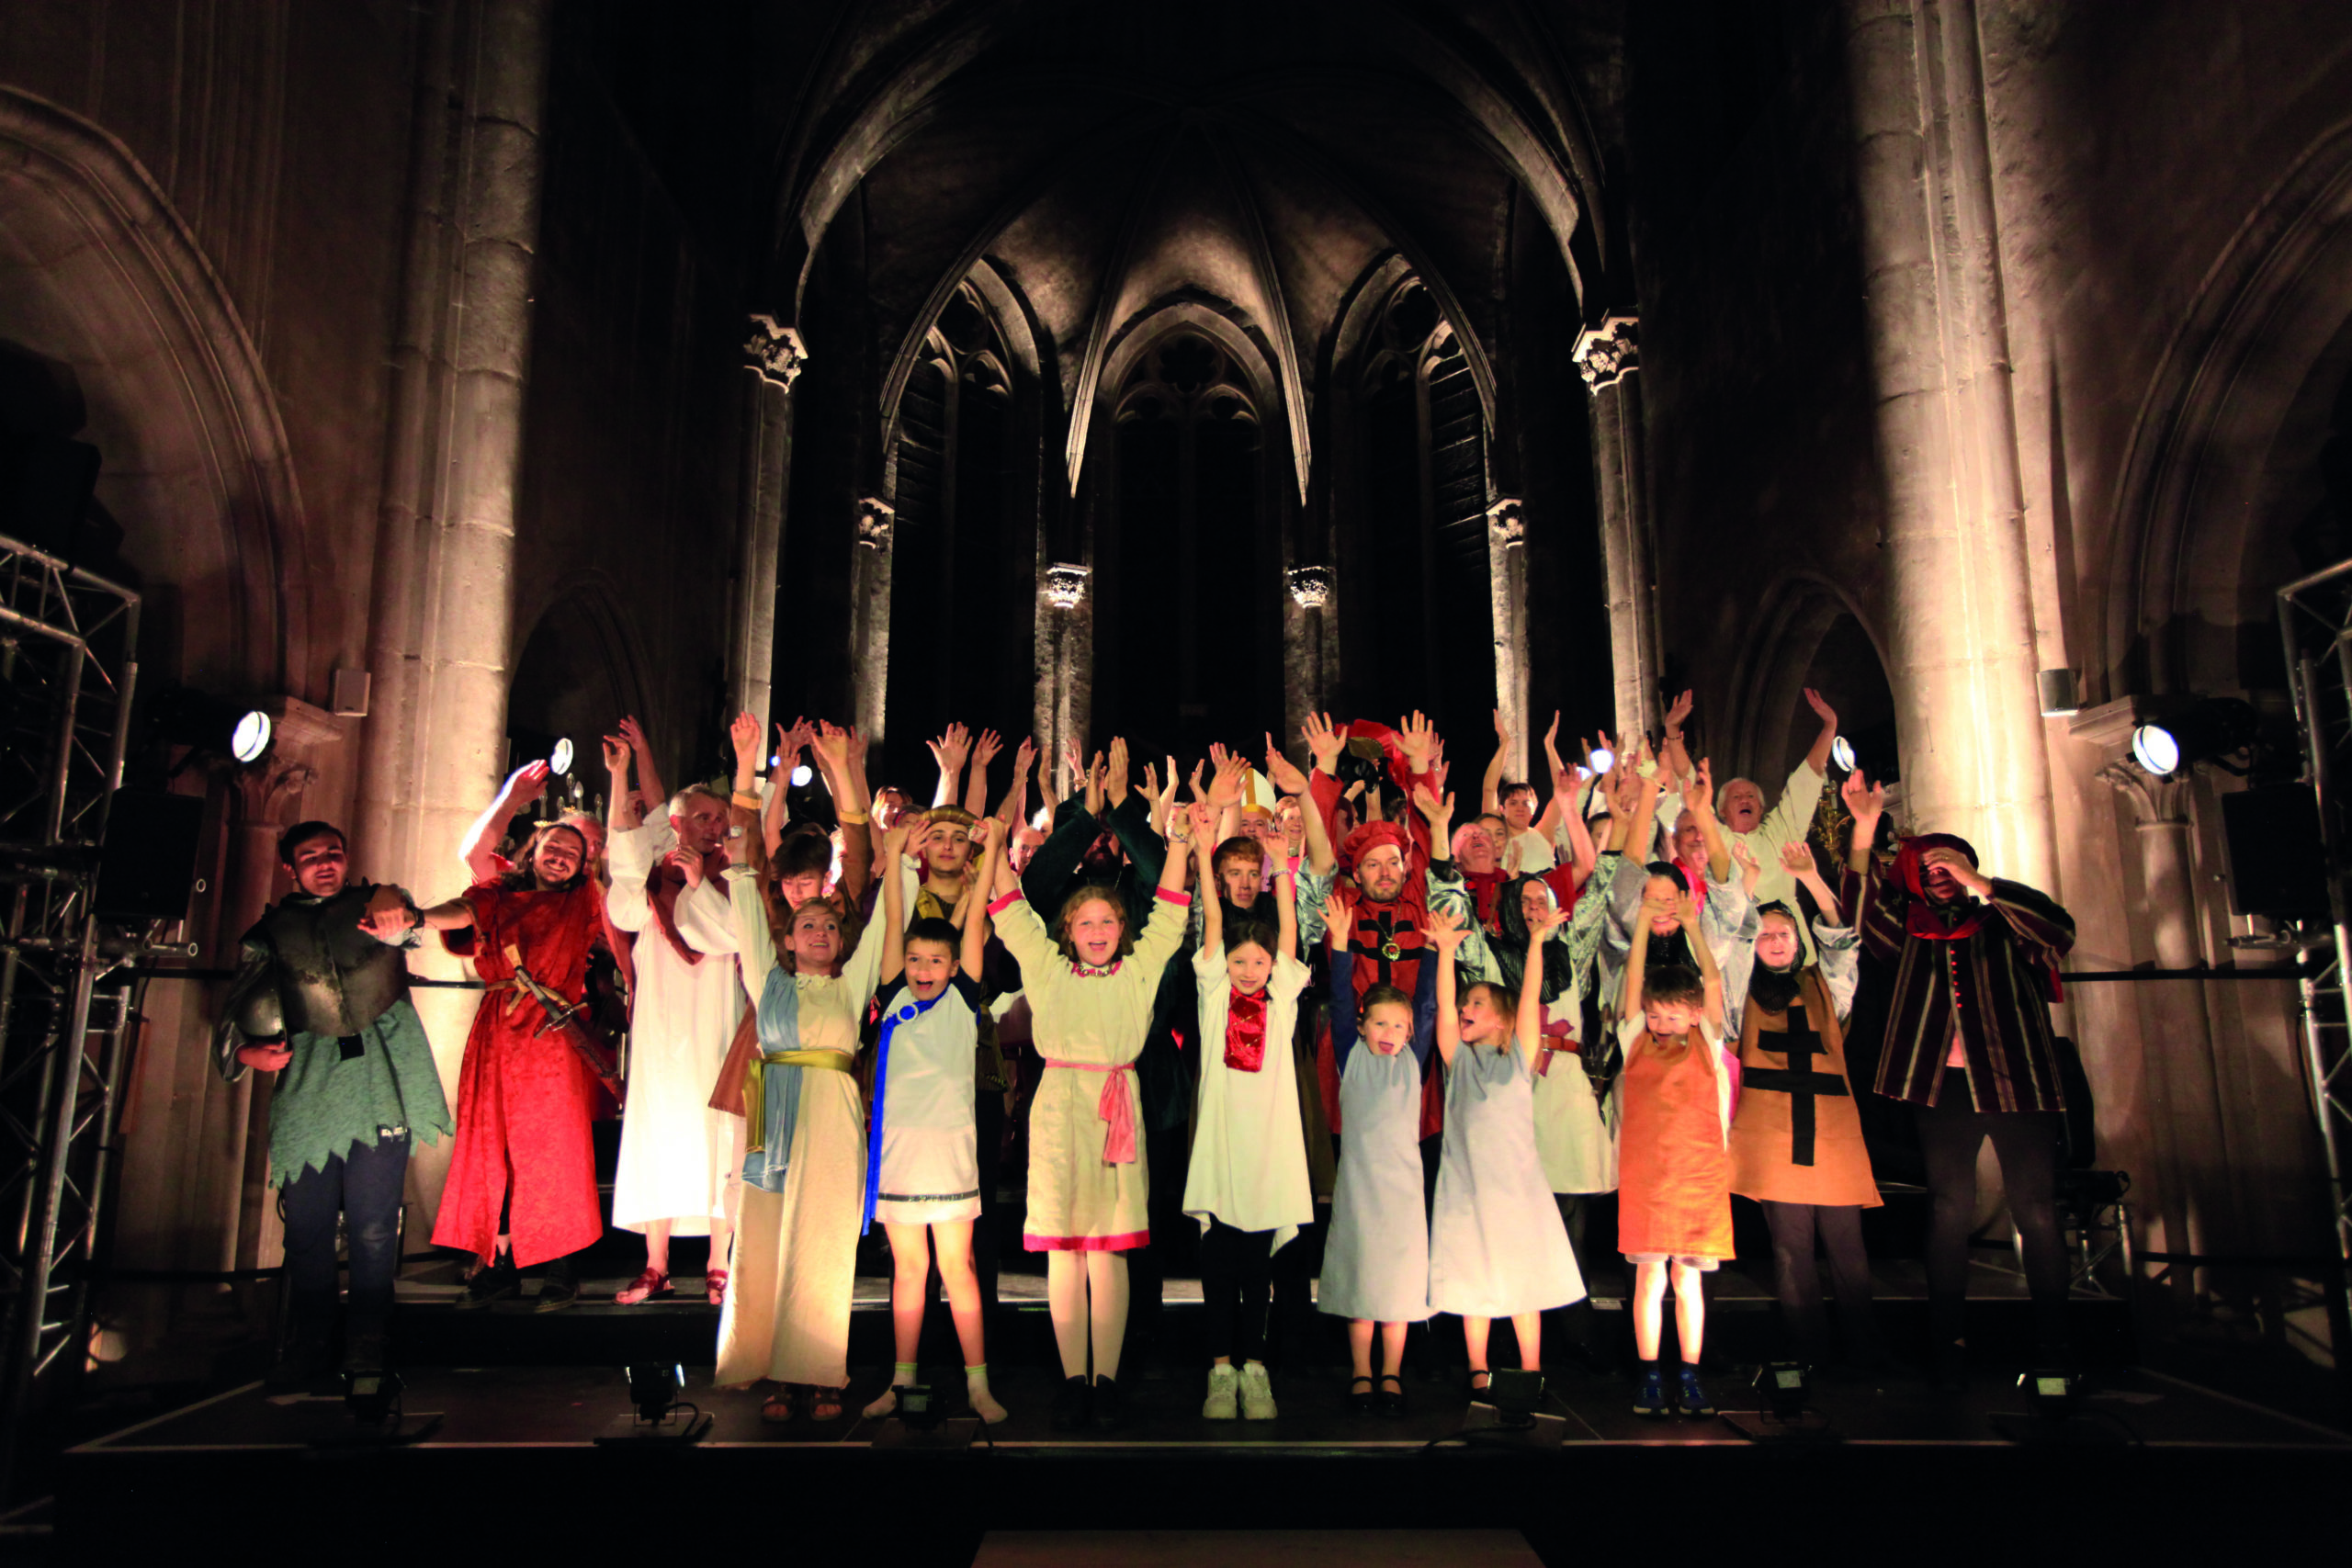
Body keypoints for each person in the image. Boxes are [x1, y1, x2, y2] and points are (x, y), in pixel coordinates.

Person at [1841, 772, 2079, 1381]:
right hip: (1941, 1088)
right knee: (1949, 1208)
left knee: (2036, 1208)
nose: (1939, 873)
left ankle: (2056, 1343)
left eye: (1950, 863)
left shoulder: (2003, 920)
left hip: (2017, 1080)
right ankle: (1947, 1340)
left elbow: (2059, 930)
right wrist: (1865, 828)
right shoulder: (1910, 932)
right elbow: (1859, 911)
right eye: (1929, 867)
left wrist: (1983, 885)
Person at [215, 822, 453, 1385]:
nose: (325, 863)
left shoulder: (378, 907)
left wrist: (396, 904)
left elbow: (415, 927)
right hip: (311, 1083)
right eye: (310, 857)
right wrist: (248, 1053)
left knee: (373, 1225)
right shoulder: (268, 934)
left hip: (380, 1079)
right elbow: (233, 1017)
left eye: (333, 853)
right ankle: (312, 1340)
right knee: (306, 1227)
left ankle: (367, 1340)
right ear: (289, 867)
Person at [986, 785, 1192, 1433]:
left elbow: (1172, 914)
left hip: (1115, 1113)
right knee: (1065, 1252)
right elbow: (1011, 914)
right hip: (1058, 1116)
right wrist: (993, 846)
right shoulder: (1048, 970)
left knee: (1109, 1252)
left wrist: (1180, 843)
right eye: (1085, 923)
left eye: (1107, 922)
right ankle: (1074, 1379)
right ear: (1068, 931)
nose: (1098, 932)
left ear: (1121, 930)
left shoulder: (1138, 972)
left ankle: (1107, 1380)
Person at [714, 713, 890, 1422]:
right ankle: (769, 1364)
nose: (817, 928)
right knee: (763, 1229)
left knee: (819, 1232)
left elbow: (878, 903)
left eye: (828, 923)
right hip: (771, 1095)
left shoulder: (851, 976)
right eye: (805, 923)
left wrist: (848, 772)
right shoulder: (769, 973)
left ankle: (815, 1369)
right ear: (787, 936)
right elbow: (744, 872)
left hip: (830, 1106)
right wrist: (753, 767)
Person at [424, 776, 609, 1313]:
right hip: (497, 1034)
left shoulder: (585, 902)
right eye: (554, 845)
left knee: (554, 1150)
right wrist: (510, 800)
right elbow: (467, 887)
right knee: (493, 1147)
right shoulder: (499, 893)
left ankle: (561, 1267)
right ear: (534, 850)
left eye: (573, 851)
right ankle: (498, 1264)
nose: (562, 855)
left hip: (552, 1038)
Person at [862, 814, 1009, 1425]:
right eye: (916, 959)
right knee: (909, 1270)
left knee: (959, 1267)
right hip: (898, 1157)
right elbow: (894, 917)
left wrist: (993, 847)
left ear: (954, 967)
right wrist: (896, 851)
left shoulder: (963, 999)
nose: (924, 969)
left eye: (936, 961)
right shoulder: (893, 992)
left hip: (950, 1158)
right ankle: (901, 1380)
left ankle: (979, 1385)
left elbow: (974, 922)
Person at [1181, 799, 1314, 1422]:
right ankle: (1219, 1369)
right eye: (1240, 961)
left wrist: (1283, 869)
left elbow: (1287, 931)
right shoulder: (1213, 991)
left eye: (1260, 962)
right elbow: (1213, 919)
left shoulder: (1282, 997)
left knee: (1259, 1269)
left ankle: (1254, 1369)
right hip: (1222, 1151)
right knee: (1218, 1266)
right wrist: (1204, 850)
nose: (1251, 969)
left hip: (1266, 1154)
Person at [1730, 842, 1883, 1370]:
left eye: (1784, 934)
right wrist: (1747, 888)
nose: (1774, 942)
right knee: (1791, 1248)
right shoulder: (1739, 993)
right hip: (1772, 1131)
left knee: (1847, 1245)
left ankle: (1863, 1352)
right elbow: (1726, 946)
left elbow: (1841, 943)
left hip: (1830, 1129)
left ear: (1798, 942)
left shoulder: (1825, 987)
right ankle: (1808, 1353)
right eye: (1765, 935)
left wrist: (1812, 880)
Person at [1426, 899, 1585, 1398]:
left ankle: (1529, 1369)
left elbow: (1530, 993)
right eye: (1465, 1004)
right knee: (1472, 1279)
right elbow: (1443, 1007)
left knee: (1522, 1280)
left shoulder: (1518, 1056)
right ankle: (1478, 1368)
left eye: (1477, 1004)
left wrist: (1536, 943)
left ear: (1500, 1020)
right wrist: (1446, 953)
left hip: (1515, 1191)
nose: (1464, 1010)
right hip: (1467, 1189)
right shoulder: (1458, 1059)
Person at [605, 753, 745, 1308]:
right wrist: (620, 782)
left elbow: (730, 936)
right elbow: (623, 906)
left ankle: (718, 1263)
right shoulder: (650, 879)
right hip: (662, 1031)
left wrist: (697, 883)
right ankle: (656, 1264)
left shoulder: (734, 878)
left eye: (721, 819)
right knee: (659, 1132)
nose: (714, 827)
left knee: (720, 1138)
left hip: (717, 1022)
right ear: (677, 823)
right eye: (704, 817)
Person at [1616, 876, 1735, 1418]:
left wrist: (1691, 925)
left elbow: (1712, 978)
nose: (1663, 1024)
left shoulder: (1708, 1042)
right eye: (1655, 1014)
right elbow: (1634, 977)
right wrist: (1643, 921)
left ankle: (1689, 1375)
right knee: (1649, 1277)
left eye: (1673, 1014)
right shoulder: (1634, 1039)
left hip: (1698, 1177)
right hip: (1647, 1180)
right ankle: (1648, 1375)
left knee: (1688, 1281)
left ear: (1693, 1013)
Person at [1316, 953, 1429, 1416]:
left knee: (1398, 1282)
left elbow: (1428, 1003)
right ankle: (1362, 1370)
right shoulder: (1352, 1055)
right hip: (1360, 1189)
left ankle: (1391, 1372)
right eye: (1379, 1023)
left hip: (1402, 1193)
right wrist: (1341, 947)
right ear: (1362, 1028)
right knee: (1362, 1277)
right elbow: (1342, 1002)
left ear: (1410, 1033)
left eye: (1399, 1026)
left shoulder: (1413, 1060)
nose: (1389, 1032)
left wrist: (1437, 950)